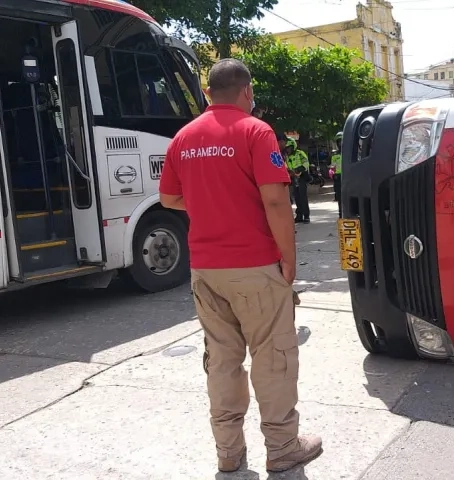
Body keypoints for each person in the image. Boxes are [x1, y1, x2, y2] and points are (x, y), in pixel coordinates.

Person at [158, 58, 322, 474]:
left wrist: (209, 202)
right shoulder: (255, 131)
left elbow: (169, 199)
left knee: (222, 360)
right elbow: (274, 199)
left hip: (206, 271)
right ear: (247, 91)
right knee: (273, 358)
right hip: (254, 266)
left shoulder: (183, 138)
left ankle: (229, 453)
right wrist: (288, 259)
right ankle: (283, 446)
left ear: (209, 93)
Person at [286, 137, 311, 223]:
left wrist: (298, 170)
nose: (288, 150)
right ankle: (299, 215)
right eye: (287, 148)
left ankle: (306, 216)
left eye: (289, 148)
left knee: (303, 197)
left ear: (293, 146)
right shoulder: (287, 157)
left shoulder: (300, 153)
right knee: (297, 197)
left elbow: (306, 163)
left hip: (302, 177)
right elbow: (287, 167)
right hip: (294, 178)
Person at [331, 141, 342, 218]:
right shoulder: (335, 155)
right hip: (338, 177)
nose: (340, 143)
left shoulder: (351, 153)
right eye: (338, 142)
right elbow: (332, 167)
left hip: (348, 177)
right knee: (339, 197)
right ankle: (341, 214)